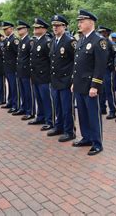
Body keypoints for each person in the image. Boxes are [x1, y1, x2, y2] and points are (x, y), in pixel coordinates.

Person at [71, 10, 108, 156]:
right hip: (80, 84)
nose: (79, 23)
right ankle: (86, 137)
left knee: (93, 115)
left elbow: (100, 66)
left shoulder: (99, 41)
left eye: (82, 21)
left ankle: (97, 143)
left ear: (91, 22)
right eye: (79, 21)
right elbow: (77, 64)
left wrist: (95, 85)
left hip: (90, 86)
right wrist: (74, 82)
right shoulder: (81, 39)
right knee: (83, 114)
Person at [47, 14, 77, 142]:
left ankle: (69, 131)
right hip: (55, 80)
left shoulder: (70, 42)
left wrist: (73, 80)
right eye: (53, 26)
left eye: (58, 25)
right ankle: (59, 127)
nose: (55, 28)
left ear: (64, 26)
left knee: (66, 108)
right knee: (57, 106)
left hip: (66, 80)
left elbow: (76, 62)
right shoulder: (54, 40)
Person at [28, 18, 52, 129]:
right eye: (34, 27)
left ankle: (49, 120)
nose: (35, 29)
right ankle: (40, 117)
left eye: (37, 27)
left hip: (44, 76)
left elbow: (51, 60)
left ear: (44, 29)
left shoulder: (47, 42)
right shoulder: (36, 41)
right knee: (39, 98)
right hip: (36, 76)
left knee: (46, 99)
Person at [13, 20, 35, 119]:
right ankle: (24, 107)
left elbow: (31, 57)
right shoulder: (21, 40)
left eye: (20, 28)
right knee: (22, 91)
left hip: (26, 71)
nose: (18, 30)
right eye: (18, 29)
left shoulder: (29, 41)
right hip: (20, 70)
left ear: (26, 29)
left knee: (28, 92)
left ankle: (30, 111)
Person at [97, 26, 116, 119]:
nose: (100, 34)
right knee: (101, 90)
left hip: (108, 70)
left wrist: (111, 66)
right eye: (100, 32)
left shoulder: (110, 43)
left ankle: (113, 110)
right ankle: (102, 108)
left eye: (102, 32)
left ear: (107, 33)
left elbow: (115, 56)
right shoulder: (100, 43)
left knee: (109, 90)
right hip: (101, 69)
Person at [1, 22, 19, 113]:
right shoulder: (7, 40)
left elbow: (17, 54)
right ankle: (10, 102)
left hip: (13, 67)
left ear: (11, 29)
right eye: (4, 29)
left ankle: (15, 105)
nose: (5, 31)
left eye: (6, 29)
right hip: (8, 67)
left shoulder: (14, 40)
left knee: (14, 86)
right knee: (10, 86)